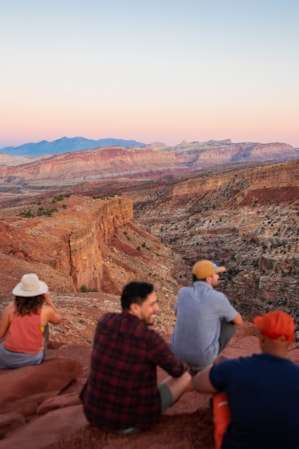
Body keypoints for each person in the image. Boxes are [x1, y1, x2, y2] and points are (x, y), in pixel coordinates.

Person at [80, 281, 192, 433]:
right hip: (129, 422)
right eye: (152, 304)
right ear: (135, 308)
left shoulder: (105, 321)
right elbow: (177, 370)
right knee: (186, 378)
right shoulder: (149, 339)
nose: (157, 309)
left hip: (93, 414)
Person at [192, 310, 299, 449]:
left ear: (262, 338)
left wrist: (220, 368)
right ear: (290, 341)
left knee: (221, 389)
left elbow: (198, 383)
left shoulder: (236, 368)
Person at [171, 260, 243, 372]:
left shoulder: (183, 292)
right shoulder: (218, 297)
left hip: (176, 356)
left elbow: (177, 314)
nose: (218, 276)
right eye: (216, 274)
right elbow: (238, 321)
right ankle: (206, 365)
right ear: (208, 279)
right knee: (229, 324)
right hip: (201, 360)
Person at [0, 273, 62, 369]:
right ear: (40, 294)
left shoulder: (11, 308)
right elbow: (58, 320)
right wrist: (49, 301)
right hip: (32, 358)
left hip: (7, 358)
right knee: (44, 325)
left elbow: (1, 334)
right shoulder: (46, 311)